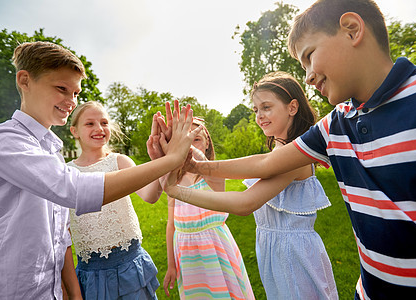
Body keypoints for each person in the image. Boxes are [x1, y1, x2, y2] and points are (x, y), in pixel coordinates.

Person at [166, 1, 416, 299]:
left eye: (309, 56)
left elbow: (248, 198)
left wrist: (179, 187)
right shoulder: (335, 123)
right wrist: (193, 165)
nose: (308, 76)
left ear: (352, 30)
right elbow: (263, 165)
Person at [0, 41, 198, 299]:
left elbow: (58, 239)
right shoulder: (3, 141)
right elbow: (75, 190)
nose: (70, 101)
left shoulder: (50, 152)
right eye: (61, 89)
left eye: (75, 93)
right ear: (25, 80)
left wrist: (162, 159)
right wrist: (169, 160)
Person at [162, 72, 338, 299]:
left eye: (266, 107)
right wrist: (197, 166)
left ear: (292, 107)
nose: (259, 116)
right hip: (274, 252)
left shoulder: (294, 156)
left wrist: (178, 189)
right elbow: (257, 165)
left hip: (295, 255)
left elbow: (245, 202)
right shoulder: (279, 153)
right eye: (256, 110)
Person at [67, 101, 165, 299]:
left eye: (104, 122)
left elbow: (150, 195)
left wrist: (161, 160)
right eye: (90, 124)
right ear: (74, 131)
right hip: (92, 272)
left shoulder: (120, 162)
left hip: (130, 265)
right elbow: (63, 236)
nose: (99, 128)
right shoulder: (66, 173)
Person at [162, 118, 255, 299]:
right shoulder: (174, 180)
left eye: (196, 138)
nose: (189, 142)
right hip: (186, 252)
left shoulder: (215, 173)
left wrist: (190, 150)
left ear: (207, 145)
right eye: (185, 138)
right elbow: (171, 224)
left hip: (215, 247)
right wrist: (171, 265)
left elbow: (218, 187)